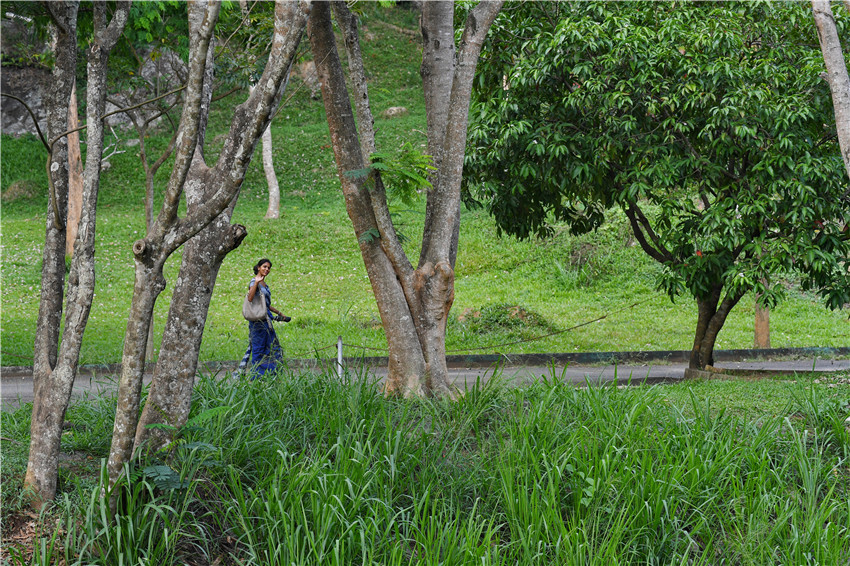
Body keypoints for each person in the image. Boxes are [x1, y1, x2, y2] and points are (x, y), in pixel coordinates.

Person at [237, 258, 291, 378]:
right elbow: (250, 298)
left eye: (268, 268)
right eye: (264, 267)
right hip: (258, 322)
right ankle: (257, 376)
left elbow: (265, 304)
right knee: (259, 347)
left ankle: (272, 374)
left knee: (272, 347)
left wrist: (279, 313)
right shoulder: (254, 282)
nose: (267, 269)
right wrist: (256, 282)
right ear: (258, 268)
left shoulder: (264, 284)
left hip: (267, 319)